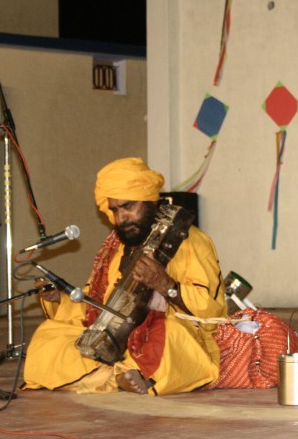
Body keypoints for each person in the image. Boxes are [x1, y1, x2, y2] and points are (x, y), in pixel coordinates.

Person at [23, 157, 227, 396]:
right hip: (117, 335)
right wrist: (60, 298)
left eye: (129, 207)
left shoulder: (192, 242)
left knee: (171, 338)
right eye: (114, 210)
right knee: (48, 338)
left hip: (170, 329)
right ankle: (120, 376)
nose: (121, 218)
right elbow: (97, 304)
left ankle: (113, 374)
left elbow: (212, 311)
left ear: (150, 201)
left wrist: (165, 284)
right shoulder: (117, 247)